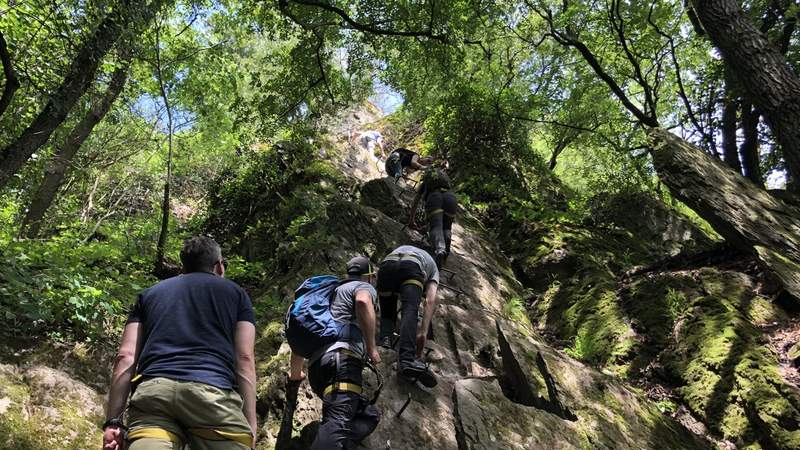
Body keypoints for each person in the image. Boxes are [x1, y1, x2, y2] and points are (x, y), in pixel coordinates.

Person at [102, 236, 257, 450]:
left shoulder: (149, 295)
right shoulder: (237, 295)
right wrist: (251, 425)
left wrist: (113, 422)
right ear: (219, 267)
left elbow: (125, 357)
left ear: (183, 265)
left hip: (154, 397)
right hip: (212, 396)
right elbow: (245, 359)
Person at [289, 256, 382, 450]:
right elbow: (364, 302)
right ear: (369, 276)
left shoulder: (328, 294)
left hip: (317, 370)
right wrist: (372, 348)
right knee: (337, 423)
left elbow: (298, 343)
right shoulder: (362, 286)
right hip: (343, 362)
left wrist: (295, 376)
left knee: (368, 415)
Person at [376, 245, 439, 388]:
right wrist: (423, 331)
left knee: (388, 308)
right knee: (410, 310)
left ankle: (386, 340)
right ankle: (407, 359)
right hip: (411, 267)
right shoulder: (433, 268)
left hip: (386, 267)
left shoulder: (404, 247)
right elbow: (431, 299)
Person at [409, 166, 458, 268]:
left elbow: (415, 202)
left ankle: (440, 250)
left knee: (436, 227)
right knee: (447, 227)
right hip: (451, 198)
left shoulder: (426, 183)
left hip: (434, 197)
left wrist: (411, 220)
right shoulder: (446, 183)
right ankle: (446, 250)